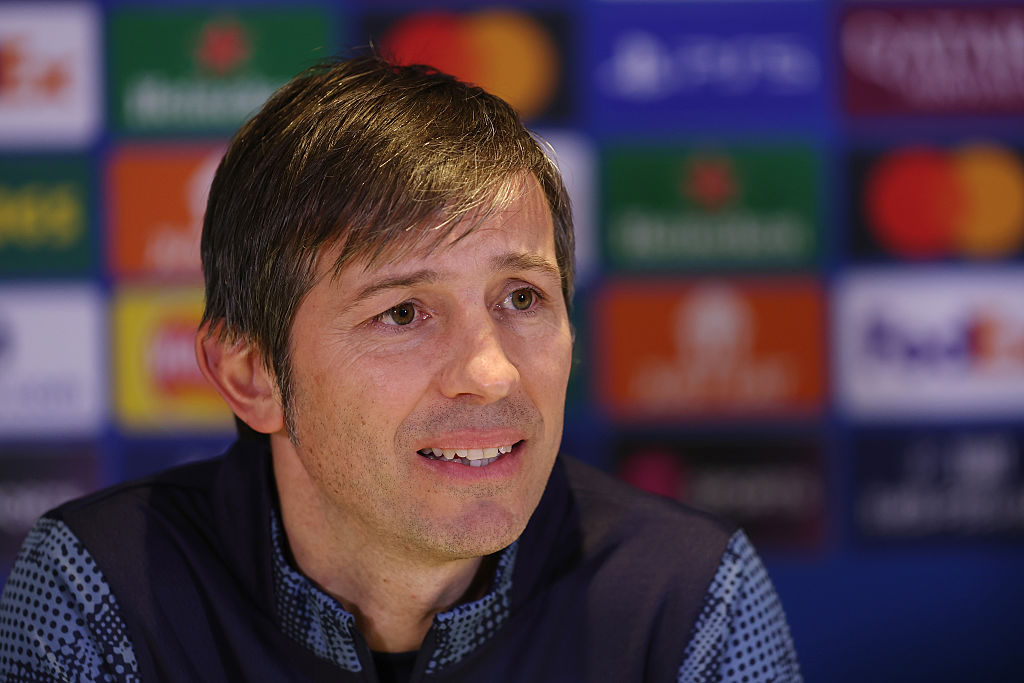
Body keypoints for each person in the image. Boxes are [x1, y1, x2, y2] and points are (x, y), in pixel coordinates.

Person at [0, 54, 801, 682]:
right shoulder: (97, 588)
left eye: (521, 297)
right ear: (251, 374)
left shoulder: (693, 598)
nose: (490, 373)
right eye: (402, 312)